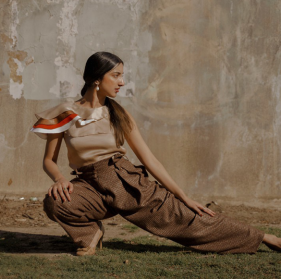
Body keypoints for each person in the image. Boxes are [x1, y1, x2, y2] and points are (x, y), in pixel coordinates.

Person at [30, 51, 281, 256]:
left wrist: (183, 196)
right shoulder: (64, 113)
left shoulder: (119, 114)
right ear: (97, 78)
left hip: (126, 181)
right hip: (88, 185)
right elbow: (48, 161)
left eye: (122, 76)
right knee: (55, 202)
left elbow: (149, 159)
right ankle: (89, 235)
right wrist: (60, 180)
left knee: (188, 219)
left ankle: (265, 238)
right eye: (116, 75)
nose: (122, 82)